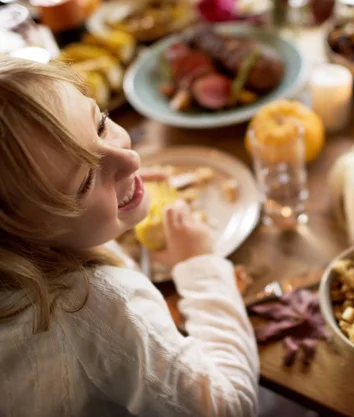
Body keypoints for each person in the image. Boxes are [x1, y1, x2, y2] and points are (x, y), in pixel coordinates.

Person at [0, 54, 259, 417]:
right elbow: (229, 405)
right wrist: (199, 263)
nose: (133, 161)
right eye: (86, 178)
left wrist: (107, 211)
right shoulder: (98, 304)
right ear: (28, 231)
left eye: (101, 124)